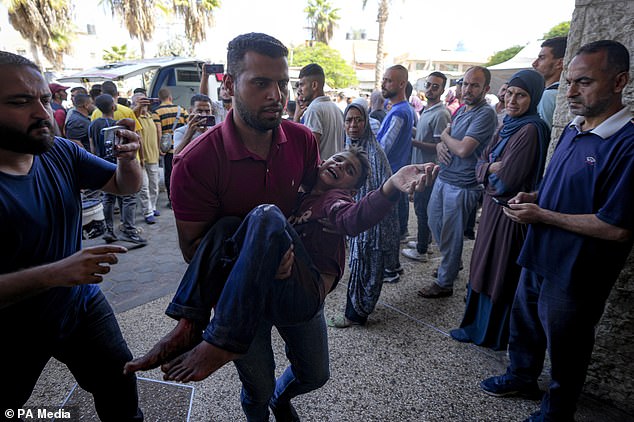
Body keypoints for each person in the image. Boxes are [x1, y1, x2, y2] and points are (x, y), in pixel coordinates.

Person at [123, 32, 320, 422]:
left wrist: (294, 253)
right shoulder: (196, 161)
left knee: (315, 374)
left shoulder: (302, 141)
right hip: (236, 300)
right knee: (258, 389)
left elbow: (315, 207)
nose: (276, 95)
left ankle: (197, 328)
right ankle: (245, 386)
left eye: (282, 83)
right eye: (261, 83)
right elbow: (197, 251)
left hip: (294, 280)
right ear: (229, 85)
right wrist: (258, 260)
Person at [480, 40, 634, 422]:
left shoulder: (627, 145)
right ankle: (521, 377)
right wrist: (534, 196)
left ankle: (558, 410)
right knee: (526, 323)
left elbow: (617, 228)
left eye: (584, 82)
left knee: (568, 343)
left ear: (619, 82)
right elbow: (559, 187)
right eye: (569, 82)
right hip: (539, 252)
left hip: (578, 270)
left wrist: (543, 215)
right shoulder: (574, 129)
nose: (571, 93)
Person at [0, 51, 143, 421]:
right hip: (12, 332)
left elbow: (124, 186)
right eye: (20, 102)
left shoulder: (59, 152)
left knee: (119, 378)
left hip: (79, 305)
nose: (42, 113)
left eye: (45, 99)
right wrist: (55, 273)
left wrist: (129, 159)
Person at [449, 69, 550, 351]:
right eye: (510, 94)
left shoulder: (530, 129)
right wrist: (488, 167)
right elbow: (483, 162)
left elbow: (506, 180)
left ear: (534, 98)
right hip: (494, 211)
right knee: (483, 265)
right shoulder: (509, 125)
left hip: (509, 214)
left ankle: (491, 333)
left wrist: (486, 170)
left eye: (522, 95)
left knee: (499, 270)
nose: (513, 101)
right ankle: (474, 326)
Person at [421, 66, 497, 298]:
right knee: (436, 225)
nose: (467, 89)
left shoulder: (485, 113)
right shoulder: (462, 110)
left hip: (463, 185)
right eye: (464, 83)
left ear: (486, 89)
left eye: (474, 85)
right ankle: (451, 263)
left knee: (451, 234)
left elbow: (464, 149)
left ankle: (445, 282)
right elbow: (451, 141)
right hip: (444, 177)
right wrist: (443, 145)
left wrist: (444, 138)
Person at [327, 99, 402, 328]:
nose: (353, 125)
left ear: (366, 123)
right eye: (349, 120)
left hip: (372, 225)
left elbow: (384, 192)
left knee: (367, 268)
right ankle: (356, 311)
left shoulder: (374, 153)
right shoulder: (350, 147)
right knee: (360, 266)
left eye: (358, 120)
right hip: (357, 218)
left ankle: (356, 314)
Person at [402, 72, 452, 262]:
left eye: (435, 86)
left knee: (422, 210)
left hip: (430, 171)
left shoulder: (441, 113)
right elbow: (424, 134)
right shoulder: (428, 109)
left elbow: (441, 146)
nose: (430, 89)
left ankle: (422, 250)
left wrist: (413, 142)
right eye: (428, 85)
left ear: (442, 90)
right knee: (422, 208)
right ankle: (426, 243)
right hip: (421, 167)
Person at [89, 94, 147, 245]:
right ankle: (128, 229)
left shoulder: (93, 125)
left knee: (107, 198)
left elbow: (92, 148)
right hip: (118, 164)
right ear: (113, 107)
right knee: (128, 197)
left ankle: (109, 231)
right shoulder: (118, 126)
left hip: (101, 163)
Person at [377, 65, 415, 281]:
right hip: (393, 174)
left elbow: (384, 147)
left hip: (390, 176)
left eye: (389, 80)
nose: (384, 84)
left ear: (402, 83)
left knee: (388, 226)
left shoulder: (400, 111)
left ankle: (391, 270)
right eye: (383, 79)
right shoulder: (400, 108)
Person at [296, 63, 345, 159]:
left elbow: (311, 151)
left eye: (302, 85)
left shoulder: (314, 110)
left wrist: (295, 119)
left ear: (314, 85)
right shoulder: (337, 109)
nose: (299, 90)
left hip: (321, 172)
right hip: (334, 170)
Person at [152, 87, 187, 207]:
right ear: (170, 98)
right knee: (182, 173)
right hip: (181, 147)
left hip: (167, 150)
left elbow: (158, 131)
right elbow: (188, 126)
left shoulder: (157, 112)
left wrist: (160, 148)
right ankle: (183, 197)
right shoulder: (181, 110)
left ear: (159, 99)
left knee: (169, 175)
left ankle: (172, 200)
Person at [131, 93, 161, 224]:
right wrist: (138, 106)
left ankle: (152, 207)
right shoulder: (133, 116)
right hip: (139, 158)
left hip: (153, 156)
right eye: (139, 101)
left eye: (144, 100)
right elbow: (133, 116)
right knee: (144, 186)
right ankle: (147, 211)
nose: (143, 103)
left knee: (154, 184)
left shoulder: (150, 116)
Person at [532, 36, 568, 129]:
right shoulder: (562, 91)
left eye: (542, 58)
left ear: (560, 63)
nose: (534, 63)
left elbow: (542, 136)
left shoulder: (549, 95)